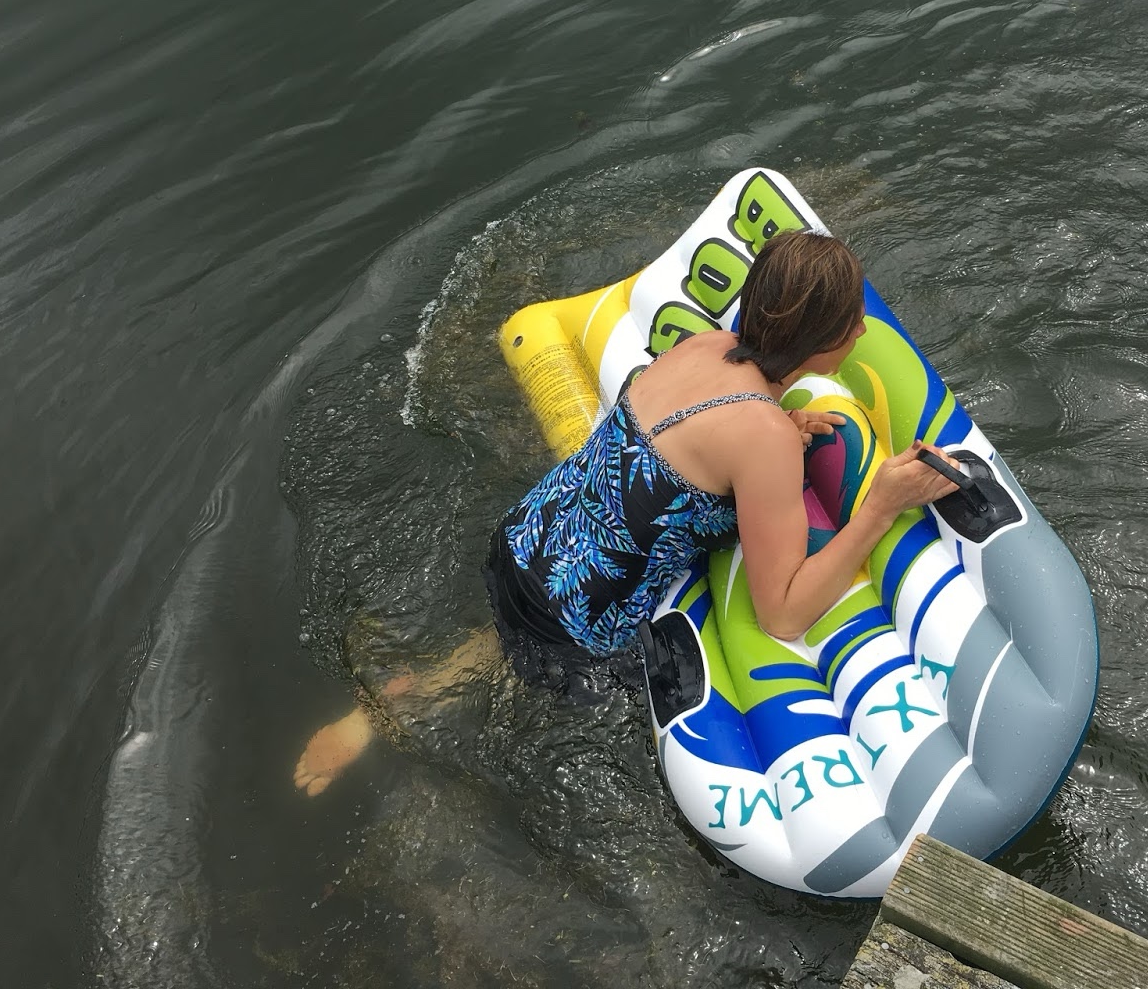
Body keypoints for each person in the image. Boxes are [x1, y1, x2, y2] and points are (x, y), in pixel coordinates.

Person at [294, 230, 960, 795]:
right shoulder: (766, 439)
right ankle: (391, 715)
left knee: (505, 640)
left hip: (526, 538)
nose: (863, 330)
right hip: (571, 624)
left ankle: (402, 692)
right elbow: (782, 612)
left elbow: (695, 447)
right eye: (852, 324)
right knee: (554, 703)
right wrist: (879, 507)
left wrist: (780, 432)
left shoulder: (703, 348)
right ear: (822, 340)